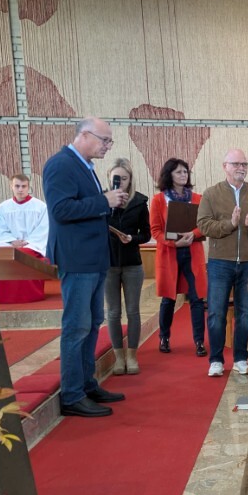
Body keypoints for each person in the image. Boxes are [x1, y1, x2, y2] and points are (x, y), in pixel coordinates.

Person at [43, 117, 128, 417]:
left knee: (92, 324)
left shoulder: (85, 166)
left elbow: (86, 206)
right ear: (84, 135)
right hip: (77, 258)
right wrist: (104, 201)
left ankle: (87, 384)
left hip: (93, 257)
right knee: (77, 327)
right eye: (105, 140)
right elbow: (61, 210)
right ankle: (72, 395)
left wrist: (108, 202)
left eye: (109, 141)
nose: (108, 146)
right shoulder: (61, 165)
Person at [197, 148, 248, 377]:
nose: (241, 168)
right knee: (216, 313)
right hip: (220, 262)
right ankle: (216, 360)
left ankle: (240, 358)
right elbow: (203, 225)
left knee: (245, 314)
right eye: (236, 164)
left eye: (244, 164)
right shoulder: (211, 194)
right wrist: (230, 224)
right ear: (225, 167)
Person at [150, 158, 207, 357]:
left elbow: (205, 224)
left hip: (192, 252)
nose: (183, 175)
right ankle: (164, 337)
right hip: (170, 254)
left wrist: (194, 234)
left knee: (197, 298)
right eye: (178, 172)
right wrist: (174, 243)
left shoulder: (198, 198)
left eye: (185, 171)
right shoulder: (159, 200)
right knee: (168, 299)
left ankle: (199, 341)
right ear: (169, 175)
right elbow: (155, 231)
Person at [105, 158, 151, 376]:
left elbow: (147, 234)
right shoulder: (101, 201)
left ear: (130, 180)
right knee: (113, 312)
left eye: (123, 178)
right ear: (109, 178)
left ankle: (132, 355)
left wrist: (132, 238)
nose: (120, 182)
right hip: (108, 263)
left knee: (133, 311)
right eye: (116, 178)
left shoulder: (139, 202)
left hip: (132, 263)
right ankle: (118, 357)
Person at [0, 173, 49, 303]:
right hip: (9, 244)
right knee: (3, 257)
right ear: (11, 186)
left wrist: (27, 242)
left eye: (24, 186)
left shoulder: (40, 206)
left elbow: (44, 229)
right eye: (17, 186)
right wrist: (12, 241)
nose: (20, 189)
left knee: (22, 255)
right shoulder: (3, 207)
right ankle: (6, 296)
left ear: (28, 187)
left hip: (32, 245)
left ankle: (30, 296)